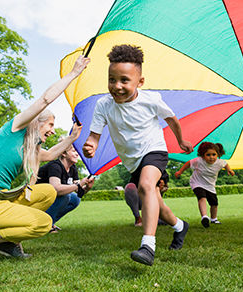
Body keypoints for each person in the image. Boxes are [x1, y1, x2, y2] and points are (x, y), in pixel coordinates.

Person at [0, 55, 90, 264]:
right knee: (43, 223)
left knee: (47, 192)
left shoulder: (30, 149)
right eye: (50, 125)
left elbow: (51, 154)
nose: (53, 131)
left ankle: (6, 243)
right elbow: (45, 99)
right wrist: (74, 74)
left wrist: (72, 138)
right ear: (37, 122)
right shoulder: (15, 128)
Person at [82, 44, 193, 266]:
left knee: (145, 186)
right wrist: (90, 145)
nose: (117, 86)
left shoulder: (150, 100)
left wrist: (180, 140)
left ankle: (148, 246)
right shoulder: (104, 105)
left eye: (124, 80)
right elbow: (94, 136)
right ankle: (180, 226)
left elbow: (171, 119)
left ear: (139, 82)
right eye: (112, 79)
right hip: (132, 160)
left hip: (154, 150)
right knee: (156, 203)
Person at [36, 143, 95, 232]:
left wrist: (87, 187)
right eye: (74, 151)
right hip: (37, 198)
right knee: (65, 196)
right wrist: (79, 184)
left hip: (50, 198)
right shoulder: (55, 166)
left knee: (75, 199)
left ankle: (49, 223)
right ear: (64, 153)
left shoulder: (72, 168)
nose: (77, 154)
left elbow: (79, 192)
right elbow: (56, 189)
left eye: (77, 152)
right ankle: (43, 224)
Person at [175, 142, 235, 228]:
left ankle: (214, 219)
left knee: (214, 203)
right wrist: (180, 171)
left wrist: (229, 170)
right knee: (202, 197)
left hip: (210, 186)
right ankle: (204, 217)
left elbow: (225, 164)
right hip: (197, 183)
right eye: (208, 155)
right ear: (203, 155)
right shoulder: (199, 161)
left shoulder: (219, 162)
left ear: (217, 154)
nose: (211, 157)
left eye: (214, 154)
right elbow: (188, 163)